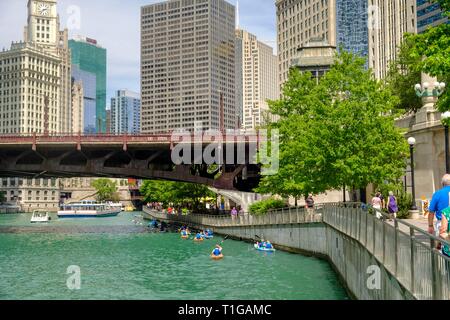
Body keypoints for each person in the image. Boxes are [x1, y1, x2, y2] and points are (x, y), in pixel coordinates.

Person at [429, 174, 450, 240]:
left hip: (441, 223)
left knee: (441, 246)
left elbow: (431, 212)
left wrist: (430, 225)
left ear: (442, 183)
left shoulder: (438, 194)